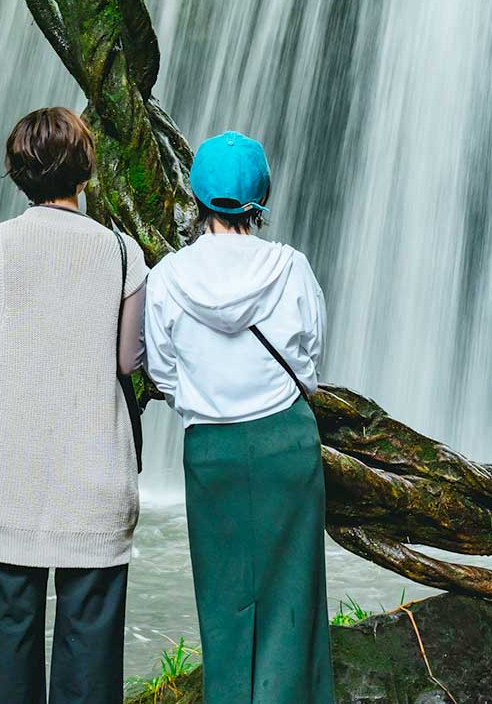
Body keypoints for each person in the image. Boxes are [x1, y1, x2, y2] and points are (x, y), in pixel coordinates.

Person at [0, 108, 147, 704]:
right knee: (89, 653)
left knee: (9, 644)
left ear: (18, 174)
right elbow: (127, 360)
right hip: (95, 477)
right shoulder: (122, 252)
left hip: (12, 476)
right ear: (84, 173)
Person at [142, 130, 334, 704]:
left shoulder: (168, 278)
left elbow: (163, 371)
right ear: (260, 199)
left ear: (195, 197)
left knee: (224, 603)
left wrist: (209, 397)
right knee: (292, 602)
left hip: (212, 452)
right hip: (287, 444)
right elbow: (310, 354)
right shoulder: (291, 268)